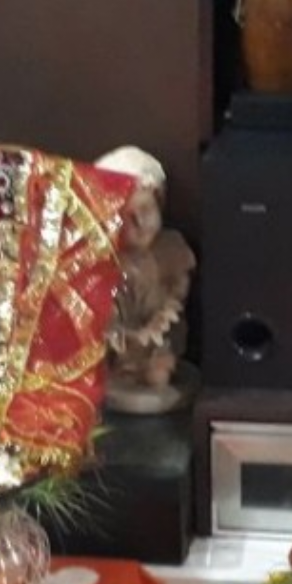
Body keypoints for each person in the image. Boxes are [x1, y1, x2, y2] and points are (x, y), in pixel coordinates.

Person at [96, 146, 196, 412]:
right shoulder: (102, 261)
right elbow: (102, 317)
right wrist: (125, 336)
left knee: (159, 372)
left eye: (147, 209)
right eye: (127, 217)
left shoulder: (170, 249)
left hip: (157, 340)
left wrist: (162, 321)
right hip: (120, 344)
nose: (141, 224)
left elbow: (177, 293)